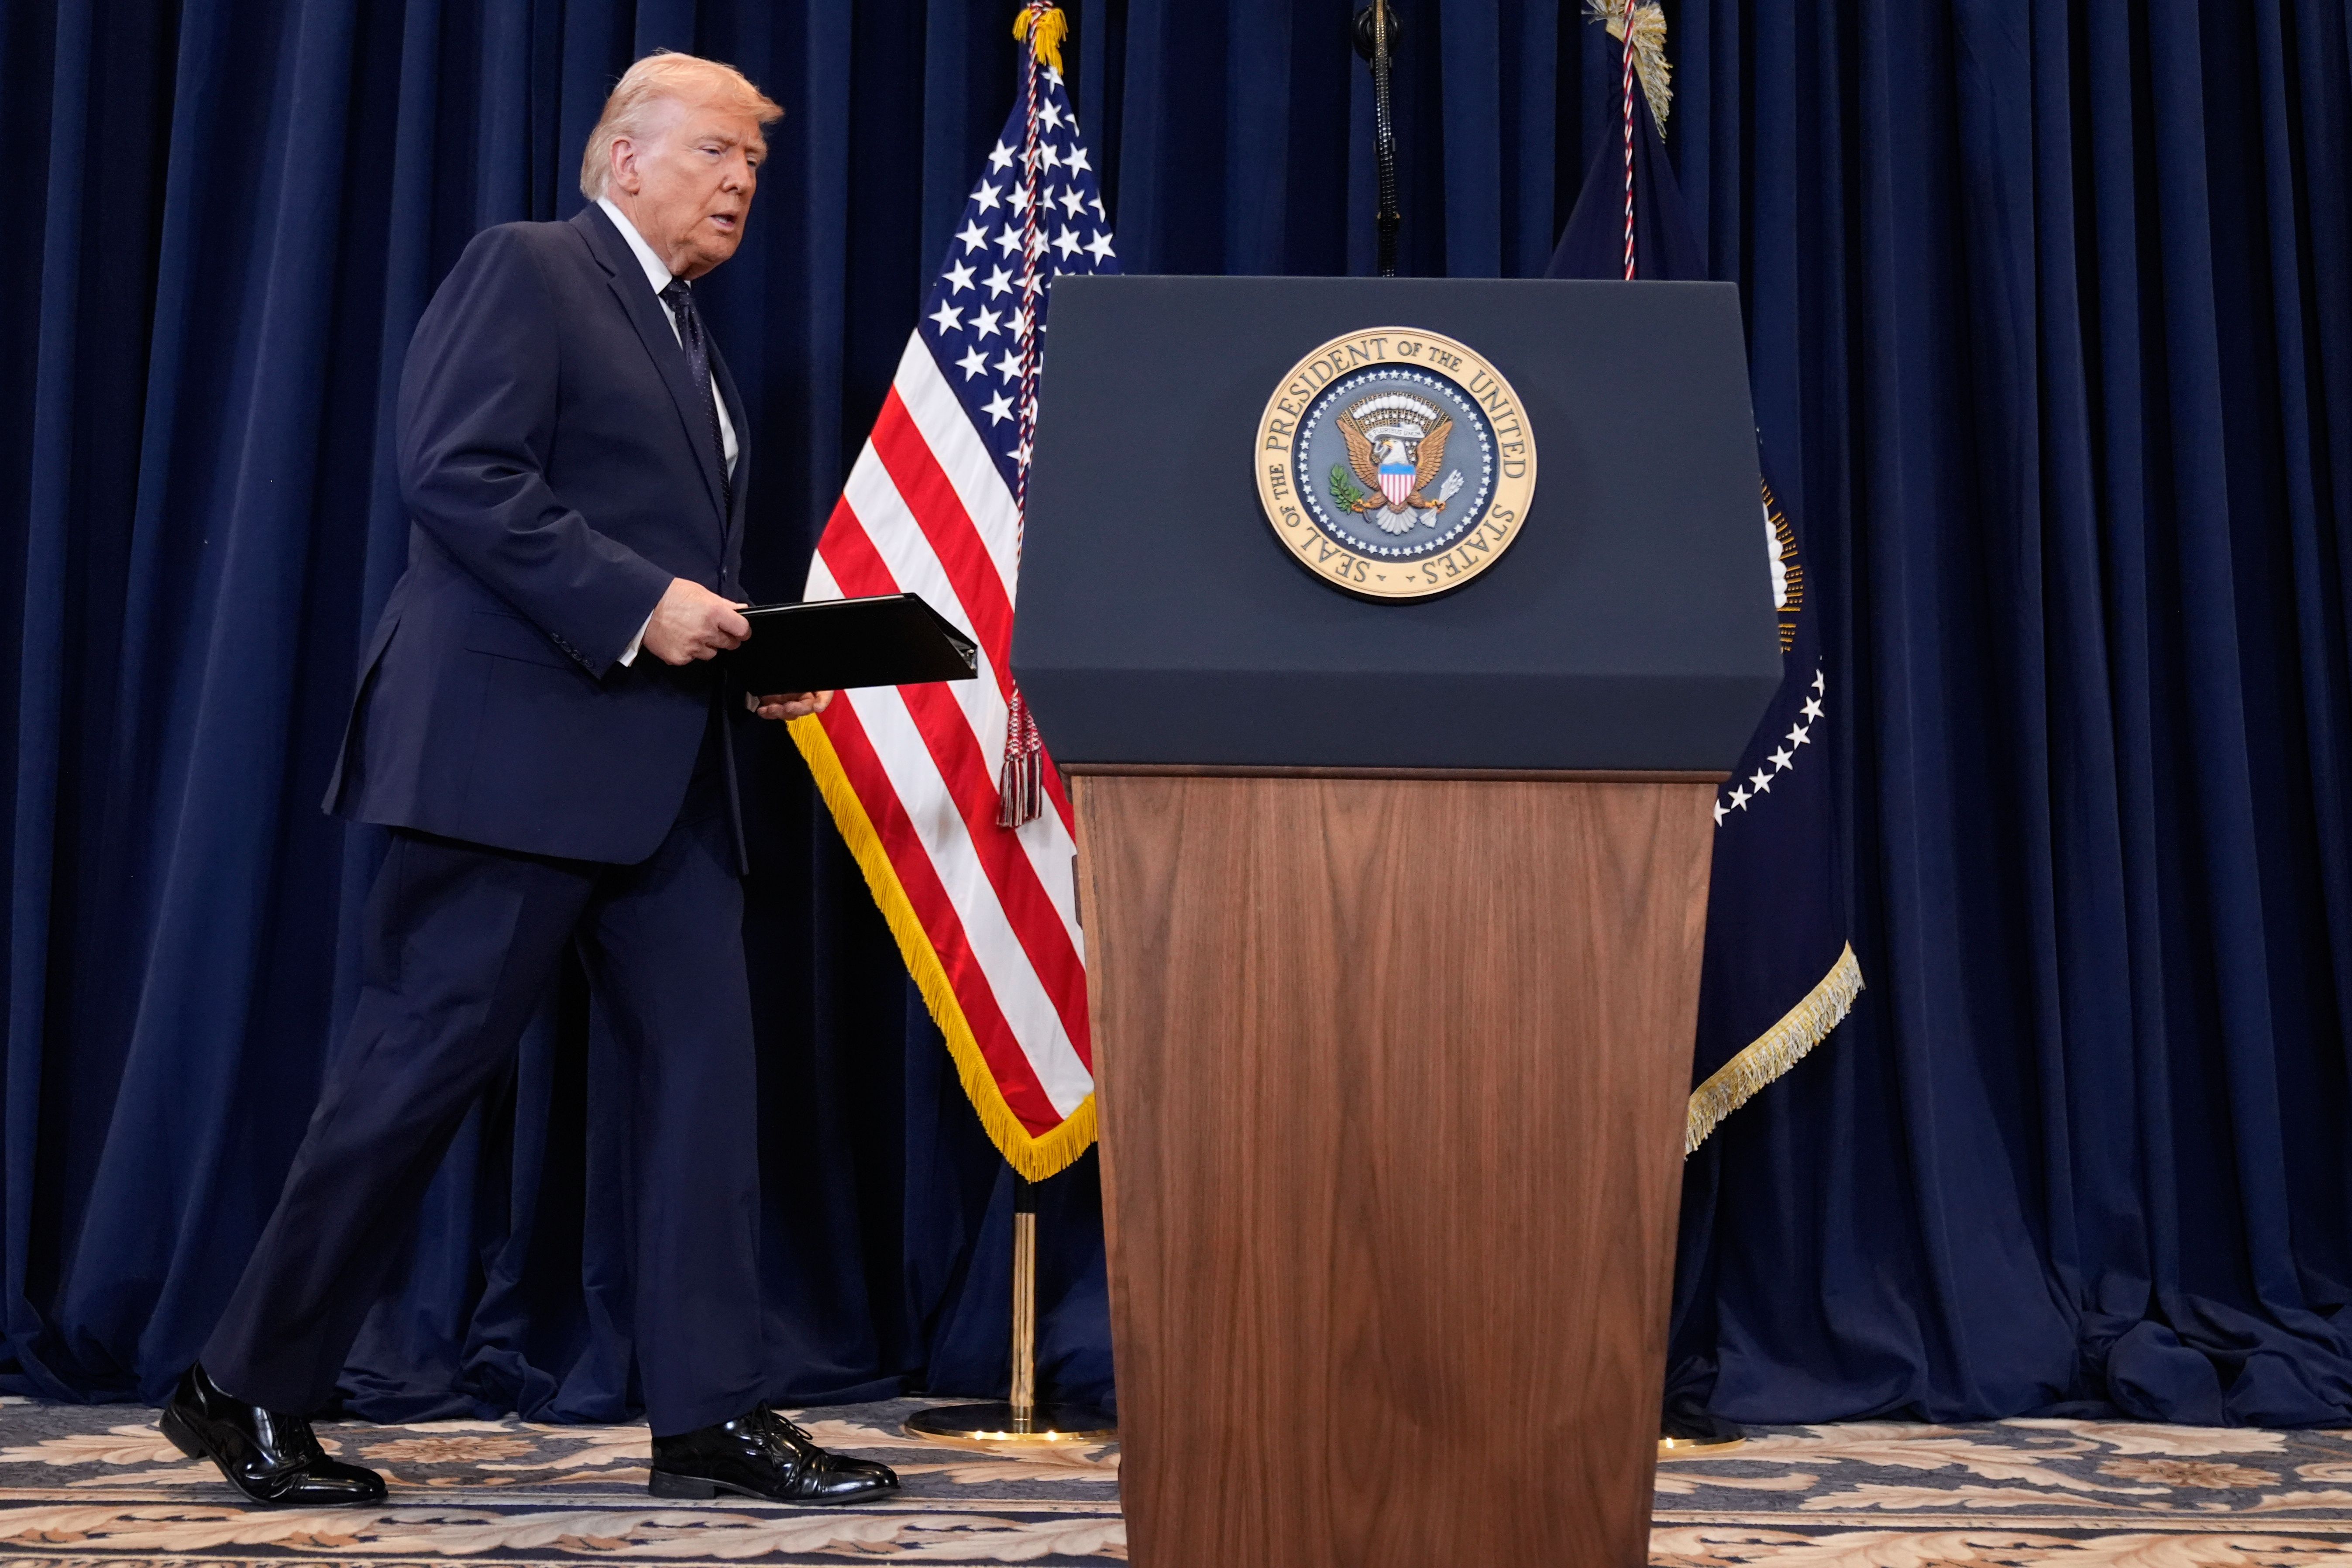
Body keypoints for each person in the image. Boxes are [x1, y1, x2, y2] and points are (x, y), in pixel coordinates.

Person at [156, 51, 897, 1510]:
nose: (743, 179)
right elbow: (459, 472)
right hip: (508, 765)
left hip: (667, 775)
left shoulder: (686, 331)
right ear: (625, 158)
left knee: (704, 1091)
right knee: (406, 1084)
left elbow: (649, 542)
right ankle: (240, 1386)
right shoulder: (532, 269)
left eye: (756, 161)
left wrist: (745, 657)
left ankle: (708, 1417)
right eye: (716, 151)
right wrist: (642, 604)